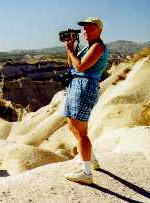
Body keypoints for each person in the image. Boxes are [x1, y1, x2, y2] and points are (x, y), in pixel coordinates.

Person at [63, 17, 109, 184]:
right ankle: (92, 160)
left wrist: (70, 51)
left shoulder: (97, 47)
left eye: (90, 28)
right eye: (84, 29)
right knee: (72, 126)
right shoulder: (88, 47)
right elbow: (72, 65)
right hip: (77, 86)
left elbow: (81, 67)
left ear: (100, 30)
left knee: (81, 131)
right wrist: (72, 49)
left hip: (84, 87)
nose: (86, 31)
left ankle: (86, 173)